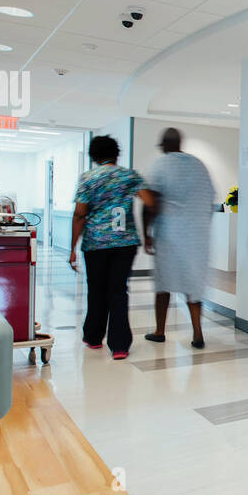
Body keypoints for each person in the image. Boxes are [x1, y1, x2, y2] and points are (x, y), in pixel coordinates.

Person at [71, 135, 149, 360]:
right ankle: (120, 346)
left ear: (93, 157)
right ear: (116, 154)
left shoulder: (88, 178)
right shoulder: (129, 176)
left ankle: (94, 338)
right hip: (125, 243)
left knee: (96, 290)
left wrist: (72, 247)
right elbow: (149, 200)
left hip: (95, 243)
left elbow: (79, 213)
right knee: (118, 291)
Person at [141, 127, 215, 350]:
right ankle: (197, 333)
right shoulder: (199, 165)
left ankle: (160, 331)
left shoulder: (160, 165)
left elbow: (150, 203)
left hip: (170, 234)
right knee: (194, 284)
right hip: (198, 236)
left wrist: (147, 234)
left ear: (164, 145)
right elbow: (209, 200)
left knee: (163, 284)